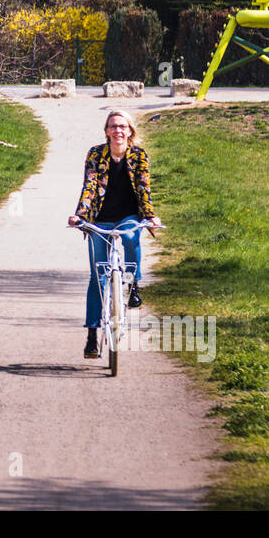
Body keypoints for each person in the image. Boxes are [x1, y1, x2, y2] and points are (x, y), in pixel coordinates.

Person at [66, 109, 163, 358]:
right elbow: (89, 186)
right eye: (113, 126)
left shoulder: (139, 155)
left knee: (131, 237)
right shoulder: (96, 154)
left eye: (122, 126)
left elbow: (144, 188)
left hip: (128, 216)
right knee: (97, 276)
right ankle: (92, 334)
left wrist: (150, 217)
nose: (118, 131)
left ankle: (133, 285)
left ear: (130, 130)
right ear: (106, 131)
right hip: (100, 219)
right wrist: (80, 215)